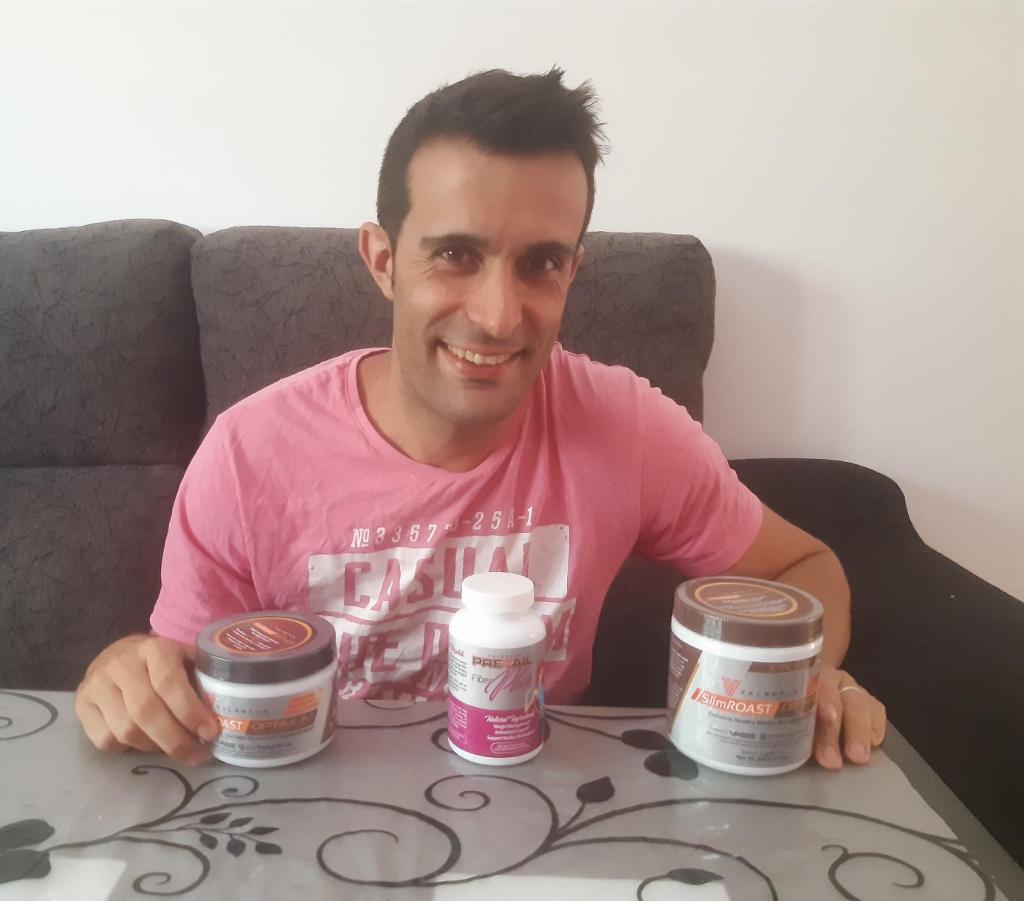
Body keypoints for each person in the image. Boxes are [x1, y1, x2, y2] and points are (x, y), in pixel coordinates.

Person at [75, 68, 885, 771]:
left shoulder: (628, 427)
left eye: (541, 263)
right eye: (456, 254)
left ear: (574, 270)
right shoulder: (248, 453)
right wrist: (129, 673)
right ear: (383, 260)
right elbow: (176, 670)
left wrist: (806, 677)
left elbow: (802, 566)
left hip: (542, 799)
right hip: (307, 806)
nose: (499, 316)